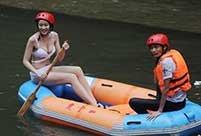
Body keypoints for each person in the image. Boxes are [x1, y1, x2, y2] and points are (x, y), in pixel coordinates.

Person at [23, 11, 102, 107]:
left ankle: (93, 100)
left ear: (50, 25)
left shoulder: (54, 36)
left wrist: (63, 49)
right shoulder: (33, 40)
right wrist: (37, 73)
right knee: (71, 77)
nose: (43, 28)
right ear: (38, 25)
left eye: (46, 25)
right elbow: (25, 61)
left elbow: (59, 58)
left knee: (77, 70)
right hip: (39, 74)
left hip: (49, 68)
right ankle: (94, 104)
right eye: (41, 25)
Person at [129, 33, 191, 119]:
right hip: (180, 99)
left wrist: (159, 110)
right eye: (151, 48)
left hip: (174, 104)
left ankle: (147, 119)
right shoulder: (171, 54)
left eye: (156, 47)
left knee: (133, 102)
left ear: (164, 47)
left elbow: (166, 89)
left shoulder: (166, 62)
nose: (153, 50)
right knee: (159, 84)